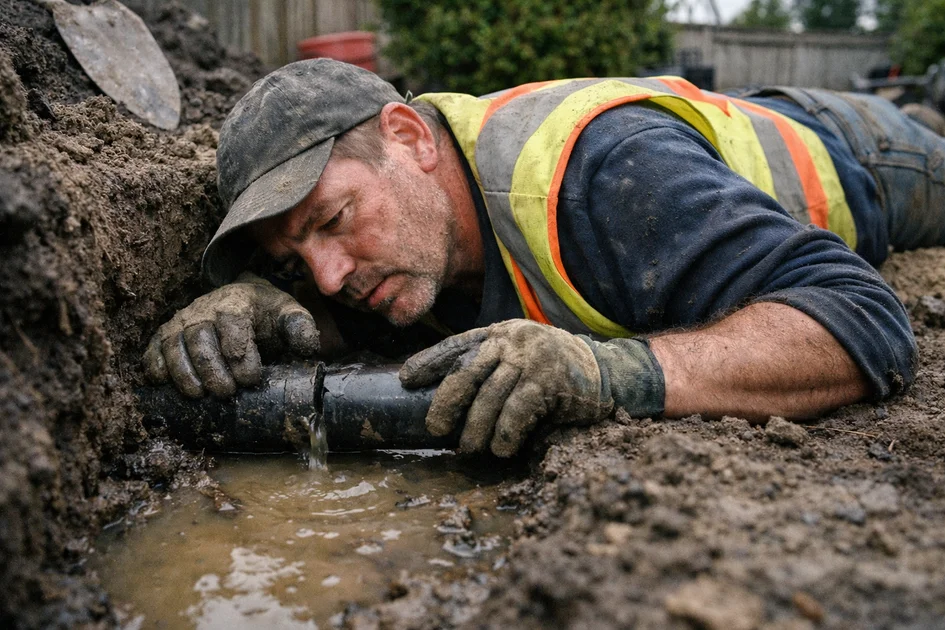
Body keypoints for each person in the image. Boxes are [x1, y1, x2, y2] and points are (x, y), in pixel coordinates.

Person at [145, 59, 942, 457]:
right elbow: (323, 300)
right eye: (291, 256)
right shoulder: (393, 241)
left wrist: (608, 374)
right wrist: (253, 300)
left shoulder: (604, 173)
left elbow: (862, 319)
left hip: (864, 157)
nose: (326, 275)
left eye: (335, 218)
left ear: (410, 138)